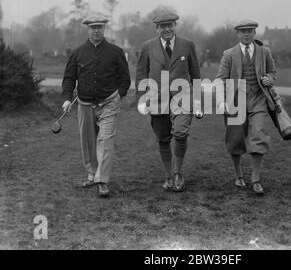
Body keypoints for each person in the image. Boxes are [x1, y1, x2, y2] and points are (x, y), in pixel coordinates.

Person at [61, 14, 131, 197]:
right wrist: (68, 98)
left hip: (108, 102)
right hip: (84, 103)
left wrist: (119, 95)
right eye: (93, 27)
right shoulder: (77, 53)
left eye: (100, 27)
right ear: (88, 29)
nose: (96, 30)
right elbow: (69, 78)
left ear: (105, 29)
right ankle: (92, 174)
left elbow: (125, 78)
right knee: (88, 141)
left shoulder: (116, 52)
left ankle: (102, 181)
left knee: (106, 141)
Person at [135, 12, 201, 192]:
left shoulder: (187, 45)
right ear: (157, 28)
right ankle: (168, 175)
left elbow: (195, 74)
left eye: (170, 25)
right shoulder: (148, 47)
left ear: (175, 26)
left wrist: (196, 100)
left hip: (182, 96)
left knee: (180, 132)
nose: (167, 29)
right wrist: (142, 99)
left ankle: (178, 172)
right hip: (157, 97)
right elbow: (141, 73)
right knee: (163, 138)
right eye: (162, 26)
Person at [215, 20, 277, 195]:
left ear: (255, 32)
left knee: (258, 135)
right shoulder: (229, 54)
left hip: (258, 99)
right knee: (235, 138)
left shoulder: (264, 52)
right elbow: (220, 79)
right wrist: (221, 102)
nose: (246, 34)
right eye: (242, 31)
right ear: (237, 34)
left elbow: (273, 72)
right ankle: (238, 175)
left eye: (249, 31)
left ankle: (256, 179)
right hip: (235, 100)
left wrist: (270, 79)